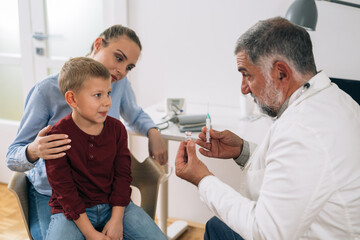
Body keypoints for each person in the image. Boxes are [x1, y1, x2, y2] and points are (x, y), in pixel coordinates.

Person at [175, 17, 360, 240]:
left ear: (281, 73)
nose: (244, 89)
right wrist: (242, 150)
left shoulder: (303, 129)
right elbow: (296, 167)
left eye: (247, 75)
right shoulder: (337, 100)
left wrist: (203, 180)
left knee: (217, 228)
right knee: (218, 225)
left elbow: (265, 232)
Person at [6, 25, 168, 240]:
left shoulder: (118, 84)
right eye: (118, 58)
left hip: (103, 195)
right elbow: (12, 157)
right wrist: (33, 150)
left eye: (129, 67)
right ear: (98, 44)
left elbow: (135, 114)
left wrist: (153, 132)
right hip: (53, 193)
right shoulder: (45, 91)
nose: (121, 71)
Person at [44, 57, 167, 240]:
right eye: (97, 95)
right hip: (72, 213)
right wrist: (90, 233)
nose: (107, 102)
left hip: (115, 207)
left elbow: (123, 176)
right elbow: (65, 191)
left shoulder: (117, 129)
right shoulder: (55, 137)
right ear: (72, 99)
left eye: (108, 93)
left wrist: (117, 219)